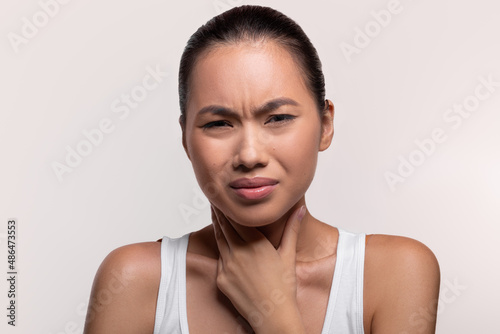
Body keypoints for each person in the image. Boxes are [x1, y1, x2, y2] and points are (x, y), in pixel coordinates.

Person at [83, 5, 440, 334]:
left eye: (278, 118)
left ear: (325, 124)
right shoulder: (135, 279)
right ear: (185, 138)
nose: (249, 155)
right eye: (219, 124)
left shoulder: (394, 273)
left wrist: (276, 317)